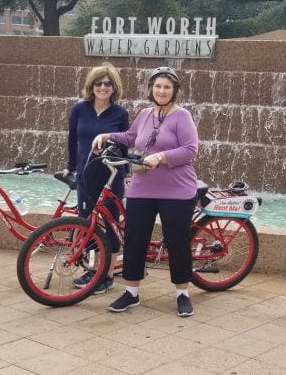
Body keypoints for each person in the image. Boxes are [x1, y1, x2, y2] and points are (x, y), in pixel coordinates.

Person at [95, 66, 200, 317]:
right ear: (151, 89)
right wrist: (106, 135)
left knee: (177, 242)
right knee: (134, 240)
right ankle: (131, 292)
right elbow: (131, 137)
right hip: (142, 189)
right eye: (157, 86)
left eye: (166, 87)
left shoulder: (182, 116)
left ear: (174, 90)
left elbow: (191, 148)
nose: (161, 91)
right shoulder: (144, 114)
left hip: (176, 190)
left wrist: (161, 157)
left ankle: (182, 294)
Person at [64, 62, 129, 294]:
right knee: (85, 223)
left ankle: (108, 276)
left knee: (111, 227)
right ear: (91, 86)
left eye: (108, 83)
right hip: (85, 175)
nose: (103, 87)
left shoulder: (120, 113)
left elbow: (125, 145)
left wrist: (125, 170)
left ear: (114, 87)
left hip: (111, 177)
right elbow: (73, 140)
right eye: (99, 83)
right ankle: (93, 270)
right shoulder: (80, 109)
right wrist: (70, 166)